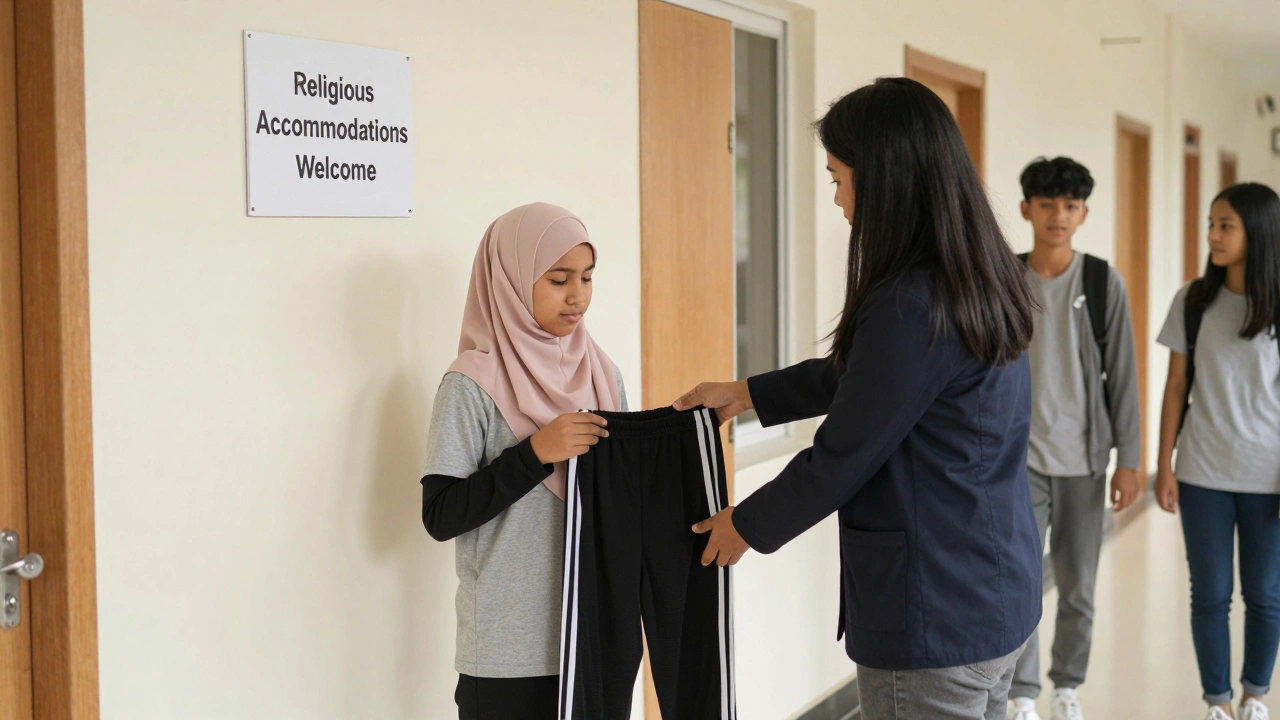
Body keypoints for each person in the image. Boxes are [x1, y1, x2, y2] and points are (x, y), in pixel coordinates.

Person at [674, 77, 1043, 720]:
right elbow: (880, 379)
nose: (839, 200)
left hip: (936, 612)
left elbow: (845, 453)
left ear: (886, 181)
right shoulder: (981, 273)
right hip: (995, 589)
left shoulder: (911, 301)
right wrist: (750, 393)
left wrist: (746, 525)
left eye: (839, 179)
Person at [419, 203, 626, 720]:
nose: (578, 295)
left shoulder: (603, 374)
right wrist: (535, 454)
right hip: (507, 657)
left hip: (594, 638)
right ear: (510, 281)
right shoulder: (470, 384)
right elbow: (440, 515)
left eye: (587, 277)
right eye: (558, 279)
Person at [1007, 157, 1143, 720]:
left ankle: (1066, 686)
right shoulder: (1004, 278)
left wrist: (1129, 460)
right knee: (1018, 579)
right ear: (1026, 210)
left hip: (1084, 461)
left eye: (1070, 205)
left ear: (1084, 213)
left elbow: (1124, 375)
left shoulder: (1101, 282)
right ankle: (1021, 693)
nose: (1057, 215)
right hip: (1019, 460)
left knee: (1078, 584)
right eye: (1047, 204)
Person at [1154, 183, 1280, 720]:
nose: (1213, 235)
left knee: (1266, 594)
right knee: (1209, 593)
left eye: (1225, 225)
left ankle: (1255, 696)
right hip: (1202, 471)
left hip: (1268, 476)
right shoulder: (1193, 301)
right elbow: (1175, 387)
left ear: (1259, 231)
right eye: (1211, 223)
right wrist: (1164, 465)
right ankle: (1219, 704)